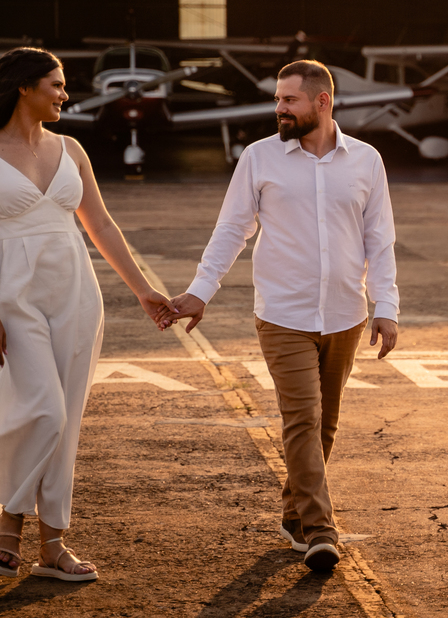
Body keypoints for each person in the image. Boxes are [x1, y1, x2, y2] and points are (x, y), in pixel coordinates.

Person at [0, 47, 174, 581]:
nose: (66, 95)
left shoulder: (71, 148)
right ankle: (8, 520)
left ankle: (52, 544)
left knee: (66, 422)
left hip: (76, 293)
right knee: (45, 411)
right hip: (13, 298)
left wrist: (143, 291)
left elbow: (101, 225)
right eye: (57, 85)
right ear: (24, 87)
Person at [160, 59, 399, 572]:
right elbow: (232, 229)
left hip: (346, 314)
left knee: (325, 425)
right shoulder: (259, 157)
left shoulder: (366, 160)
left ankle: (294, 514)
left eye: (289, 100)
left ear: (322, 101)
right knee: (302, 419)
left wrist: (387, 306)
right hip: (283, 315)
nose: (279, 109)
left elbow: (379, 238)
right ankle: (320, 530)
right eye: (277, 100)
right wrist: (201, 291)